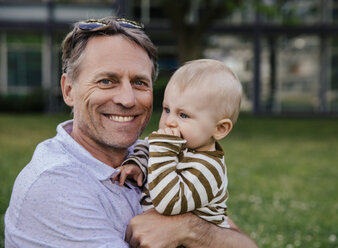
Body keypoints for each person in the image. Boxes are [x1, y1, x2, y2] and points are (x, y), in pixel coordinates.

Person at [4, 17, 258, 248]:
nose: (127, 99)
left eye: (139, 82)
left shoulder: (166, 155)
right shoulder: (57, 185)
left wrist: (190, 229)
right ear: (69, 90)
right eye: (106, 81)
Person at [117, 59, 241, 229]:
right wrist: (137, 163)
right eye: (167, 110)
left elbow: (168, 203)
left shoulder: (208, 170)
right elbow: (147, 145)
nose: (169, 121)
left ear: (219, 128)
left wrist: (164, 152)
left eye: (183, 115)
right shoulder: (173, 146)